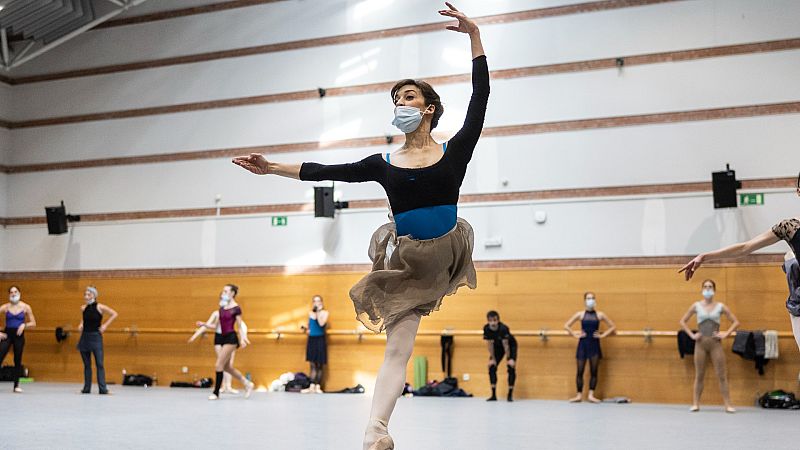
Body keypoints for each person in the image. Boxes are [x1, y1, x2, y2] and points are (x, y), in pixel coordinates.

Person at [233, 3, 487, 447]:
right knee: (398, 348)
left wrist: (474, 36)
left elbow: (480, 99)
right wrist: (271, 167)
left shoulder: (455, 151)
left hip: (448, 251)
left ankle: (377, 428)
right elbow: (326, 169)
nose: (400, 104)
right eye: (396, 100)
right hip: (407, 262)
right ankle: (376, 430)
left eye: (408, 98)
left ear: (428, 109)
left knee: (401, 343)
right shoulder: (382, 163)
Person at [680, 171, 800, 350]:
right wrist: (705, 256)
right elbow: (746, 247)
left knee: (790, 260)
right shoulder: (789, 227)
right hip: (799, 304)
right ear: (798, 191)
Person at [679, 279, 739, 413]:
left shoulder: (720, 306)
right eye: (705, 286)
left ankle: (728, 404)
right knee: (699, 374)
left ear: (714, 289)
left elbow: (735, 322)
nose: (707, 288)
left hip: (715, 344)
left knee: (722, 375)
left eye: (710, 286)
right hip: (700, 344)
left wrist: (725, 334)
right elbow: (683, 321)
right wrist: (692, 335)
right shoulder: (696, 306)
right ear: (702, 289)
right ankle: (695, 403)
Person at [195, 284, 254, 400]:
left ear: (232, 293)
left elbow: (239, 325)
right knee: (227, 367)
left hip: (231, 338)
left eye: (226, 291)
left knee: (218, 364)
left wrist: (243, 338)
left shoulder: (236, 308)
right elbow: (216, 325)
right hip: (221, 338)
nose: (224, 293)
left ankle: (216, 392)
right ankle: (247, 383)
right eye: (223, 291)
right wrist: (204, 324)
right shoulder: (222, 308)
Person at [564, 292, 616, 403]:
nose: (590, 300)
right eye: (588, 298)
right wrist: (574, 334)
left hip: (594, 344)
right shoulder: (580, 314)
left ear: (595, 300)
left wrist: (602, 335)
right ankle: (579, 395)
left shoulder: (600, 315)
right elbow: (566, 325)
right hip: (583, 344)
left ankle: (591, 395)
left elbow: (612, 326)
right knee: (580, 371)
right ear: (584, 301)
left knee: (594, 371)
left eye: (592, 298)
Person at [77, 286, 118, 394]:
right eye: (85, 294)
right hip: (85, 337)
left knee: (99, 363)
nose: (86, 296)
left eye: (88, 294)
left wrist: (105, 326)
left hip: (96, 337)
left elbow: (114, 314)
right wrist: (81, 324)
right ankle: (86, 388)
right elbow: (84, 319)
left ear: (94, 295)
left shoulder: (100, 307)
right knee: (87, 364)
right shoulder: (83, 308)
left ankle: (103, 388)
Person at [0, 286, 36, 393]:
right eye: (11, 292)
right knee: (0, 355)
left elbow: (33, 323)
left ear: (19, 293)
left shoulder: (25, 307)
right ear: (9, 294)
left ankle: (16, 385)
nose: (13, 294)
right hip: (7, 334)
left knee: (17, 359)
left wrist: (24, 325)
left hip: (19, 335)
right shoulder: (5, 307)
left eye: (15, 292)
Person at [483, 311, 517, 402]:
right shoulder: (486, 329)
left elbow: (506, 345)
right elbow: (489, 345)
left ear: (498, 320)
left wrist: (509, 359)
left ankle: (510, 394)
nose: (493, 323)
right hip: (497, 347)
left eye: (495, 320)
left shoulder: (503, 328)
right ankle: (493, 395)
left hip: (510, 346)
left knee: (511, 367)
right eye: (490, 321)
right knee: (491, 367)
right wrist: (492, 359)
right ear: (488, 321)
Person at [301, 295, 328, 394]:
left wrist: (318, 312)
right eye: (315, 301)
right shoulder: (310, 313)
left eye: (318, 301)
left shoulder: (325, 313)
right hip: (311, 339)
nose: (317, 303)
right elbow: (310, 327)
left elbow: (321, 324)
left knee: (319, 364)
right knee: (312, 364)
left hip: (320, 339)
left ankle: (318, 386)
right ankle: (311, 386)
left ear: (321, 302)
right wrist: (305, 328)